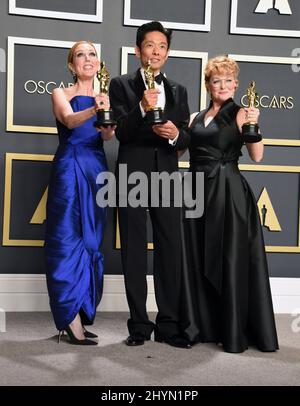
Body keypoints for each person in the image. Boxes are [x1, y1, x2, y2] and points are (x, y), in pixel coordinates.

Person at [180, 55, 279, 353]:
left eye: (227, 80)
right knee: (197, 257)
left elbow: (257, 156)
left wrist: (254, 124)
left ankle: (232, 330)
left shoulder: (242, 112)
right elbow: (180, 153)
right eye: (215, 80)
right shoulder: (195, 117)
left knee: (229, 259)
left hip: (228, 191)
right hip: (195, 190)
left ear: (235, 84)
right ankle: (202, 326)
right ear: (208, 84)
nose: (221, 85)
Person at [109, 21, 191, 348]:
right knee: (133, 249)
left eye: (161, 46)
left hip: (167, 174)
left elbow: (186, 136)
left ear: (167, 53)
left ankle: (168, 325)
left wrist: (175, 136)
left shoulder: (179, 91)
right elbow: (122, 133)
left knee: (170, 249)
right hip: (132, 172)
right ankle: (139, 326)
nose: (155, 51)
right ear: (137, 50)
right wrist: (143, 106)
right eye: (149, 45)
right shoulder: (120, 85)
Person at [45, 41, 115, 345]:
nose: (87, 59)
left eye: (92, 54)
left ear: (98, 64)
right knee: (66, 238)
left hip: (96, 168)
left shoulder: (107, 96)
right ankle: (69, 319)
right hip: (69, 166)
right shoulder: (61, 93)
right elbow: (70, 120)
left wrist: (107, 117)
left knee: (91, 239)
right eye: (80, 55)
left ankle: (81, 311)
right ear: (72, 65)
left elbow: (109, 134)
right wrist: (94, 107)